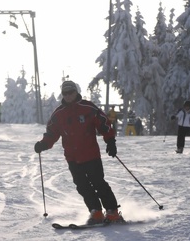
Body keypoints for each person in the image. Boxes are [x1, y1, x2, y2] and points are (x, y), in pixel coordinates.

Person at [34, 80, 123, 224]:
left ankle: (112, 211)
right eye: (65, 93)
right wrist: (43, 144)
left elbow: (104, 123)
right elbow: (51, 133)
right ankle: (96, 212)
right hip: (72, 158)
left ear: (76, 92)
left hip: (91, 154)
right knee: (82, 185)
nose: (68, 95)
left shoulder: (88, 108)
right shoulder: (58, 114)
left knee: (98, 183)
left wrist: (110, 141)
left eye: (71, 92)